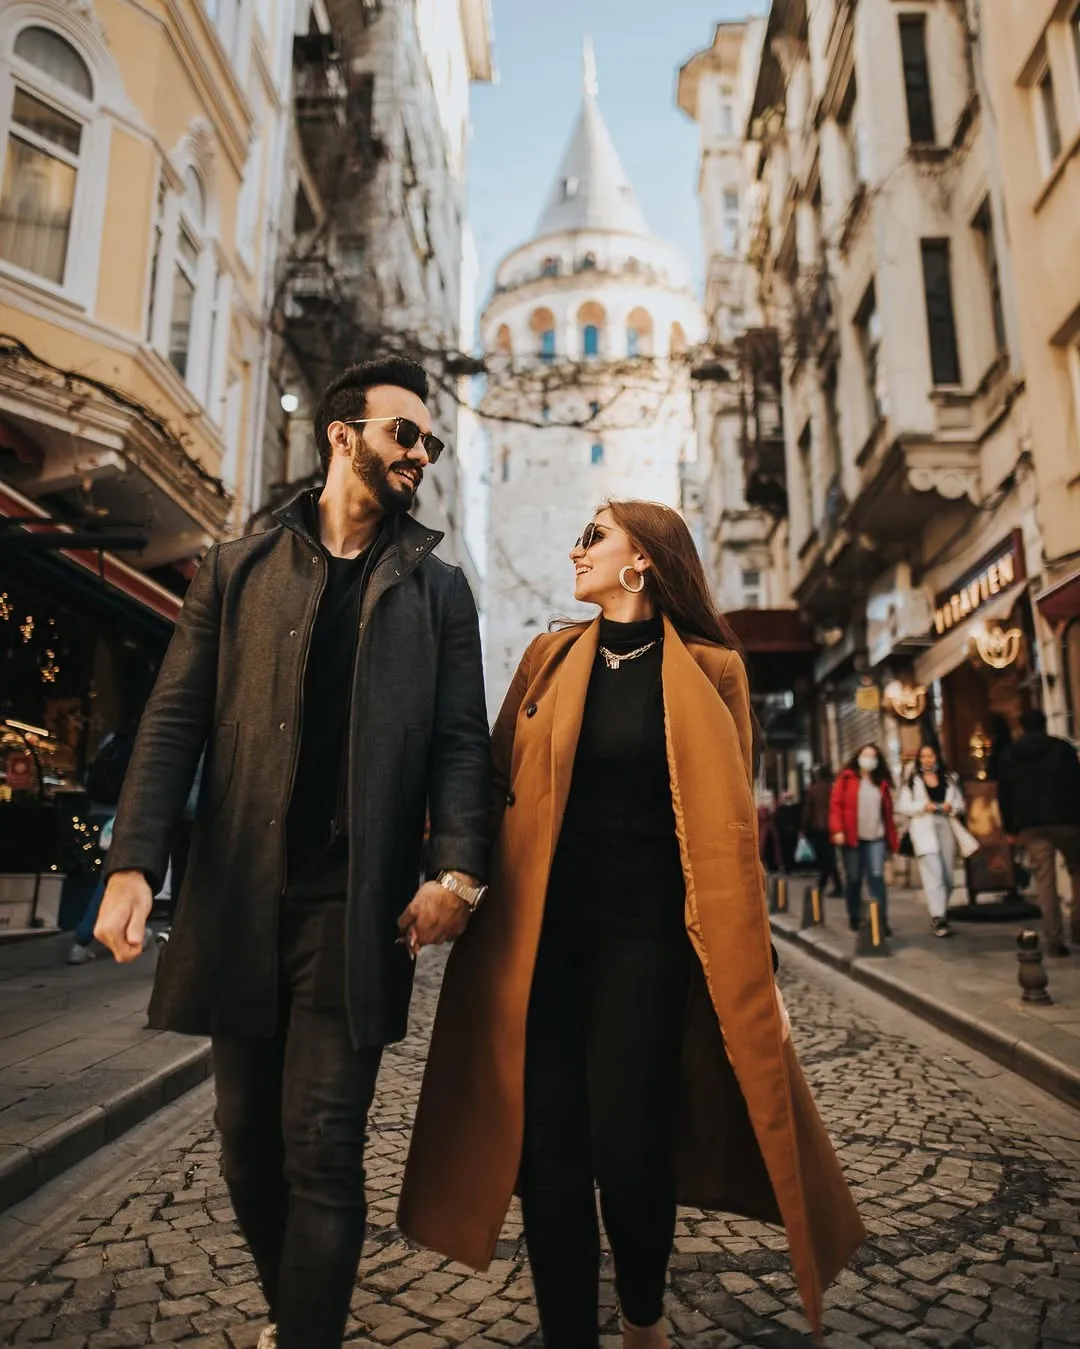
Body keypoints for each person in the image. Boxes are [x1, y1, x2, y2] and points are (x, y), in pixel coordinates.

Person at [398, 501, 865, 1347]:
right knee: (548, 1153)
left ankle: (642, 1315)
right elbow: (492, 779)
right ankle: (568, 1330)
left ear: (642, 560)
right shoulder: (546, 658)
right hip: (539, 940)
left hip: (648, 946)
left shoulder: (715, 670)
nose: (575, 547)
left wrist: (754, 969)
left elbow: (729, 834)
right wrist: (456, 878)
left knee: (631, 1146)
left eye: (594, 536)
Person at [93, 356, 490, 1349]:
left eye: (431, 442)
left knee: (324, 1147)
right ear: (342, 435)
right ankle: (294, 1312)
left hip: (353, 903)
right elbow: (175, 714)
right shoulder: (238, 567)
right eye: (405, 433)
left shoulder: (438, 590)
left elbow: (458, 741)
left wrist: (458, 871)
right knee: (243, 1151)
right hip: (240, 893)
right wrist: (133, 857)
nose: (422, 454)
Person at [998, 707, 1080, 956]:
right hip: (1067, 821)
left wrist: (1010, 828)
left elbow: (1005, 793)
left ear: (1021, 727)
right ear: (1045, 724)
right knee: (1078, 872)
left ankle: (1054, 940)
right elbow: (1077, 784)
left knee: (1046, 883)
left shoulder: (1010, 754)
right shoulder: (1063, 749)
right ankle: (1078, 928)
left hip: (1031, 825)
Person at [896, 745, 967, 938]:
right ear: (919, 760)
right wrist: (923, 806)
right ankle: (938, 917)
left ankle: (940, 911)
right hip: (923, 829)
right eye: (924, 756)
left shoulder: (949, 779)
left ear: (937, 757)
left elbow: (960, 805)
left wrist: (950, 806)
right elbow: (903, 806)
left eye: (931, 756)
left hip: (945, 827)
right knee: (933, 874)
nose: (928, 760)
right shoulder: (912, 782)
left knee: (948, 878)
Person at [829, 745, 898, 934]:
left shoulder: (881, 783)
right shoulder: (846, 779)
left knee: (877, 878)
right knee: (854, 878)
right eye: (866, 755)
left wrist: (892, 839)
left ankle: (881, 921)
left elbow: (888, 814)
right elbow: (836, 806)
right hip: (852, 839)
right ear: (858, 756)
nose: (869, 759)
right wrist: (837, 830)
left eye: (873, 756)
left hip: (876, 838)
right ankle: (855, 916)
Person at [802, 764, 842, 898]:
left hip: (819, 827)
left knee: (826, 858)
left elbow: (808, 811)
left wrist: (803, 828)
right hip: (833, 826)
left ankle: (824, 885)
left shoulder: (814, 790)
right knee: (830, 856)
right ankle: (832, 884)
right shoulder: (834, 788)